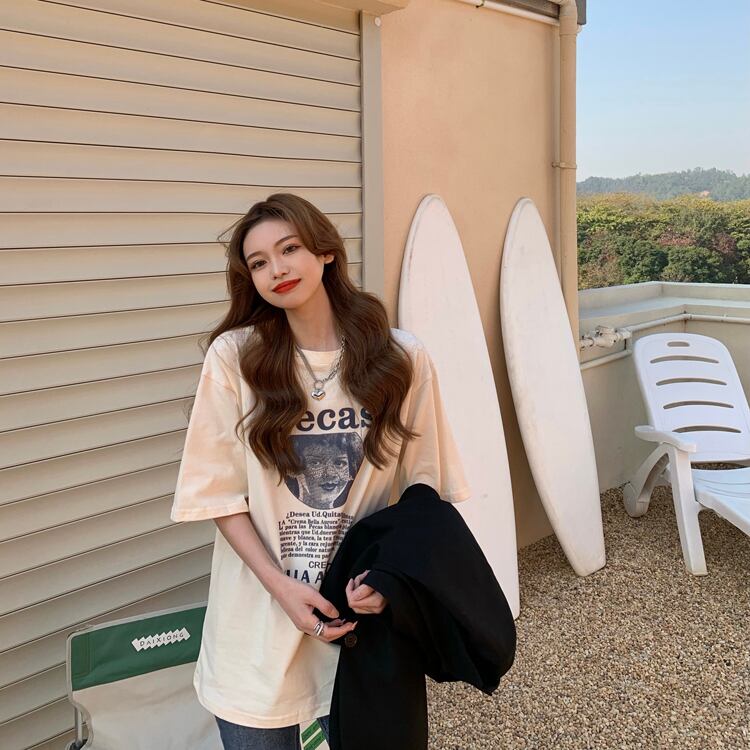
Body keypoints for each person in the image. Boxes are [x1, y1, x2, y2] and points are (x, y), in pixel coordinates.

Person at [170, 193, 471, 750]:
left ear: (326, 252)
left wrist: (388, 578)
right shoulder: (236, 358)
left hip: (359, 621)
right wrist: (281, 588)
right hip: (256, 626)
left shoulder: (399, 358)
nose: (276, 269)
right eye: (259, 262)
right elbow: (219, 496)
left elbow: (425, 487)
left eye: (289, 249)